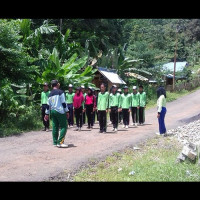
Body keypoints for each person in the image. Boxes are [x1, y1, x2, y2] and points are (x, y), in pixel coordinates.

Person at [44, 80, 69, 148]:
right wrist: (67, 111)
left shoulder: (50, 94)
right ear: (58, 84)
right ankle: (60, 142)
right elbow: (63, 103)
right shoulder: (60, 92)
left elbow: (48, 105)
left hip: (53, 112)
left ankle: (55, 142)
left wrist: (46, 114)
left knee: (55, 126)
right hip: (60, 111)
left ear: (52, 86)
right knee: (64, 126)